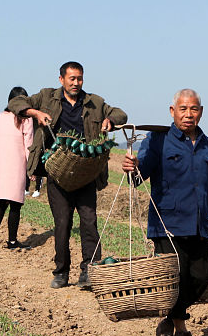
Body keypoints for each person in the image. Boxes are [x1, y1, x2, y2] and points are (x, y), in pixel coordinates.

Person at [122, 89, 208, 336]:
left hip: (198, 224)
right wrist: (131, 167)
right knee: (177, 277)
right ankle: (182, 332)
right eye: (183, 109)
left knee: (203, 275)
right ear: (172, 111)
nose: (188, 114)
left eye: (193, 109)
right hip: (167, 223)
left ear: (201, 112)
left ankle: (169, 319)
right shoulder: (159, 140)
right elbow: (138, 176)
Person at [9, 61, 127, 289]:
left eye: (79, 78)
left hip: (85, 174)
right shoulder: (46, 97)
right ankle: (61, 271)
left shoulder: (95, 102)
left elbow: (121, 114)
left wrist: (109, 121)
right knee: (62, 224)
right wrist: (35, 113)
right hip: (58, 172)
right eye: (71, 78)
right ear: (61, 79)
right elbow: (16, 102)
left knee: (89, 222)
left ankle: (89, 270)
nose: (76, 83)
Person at [0, 88, 35, 248]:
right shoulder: (26, 120)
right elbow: (29, 145)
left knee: (1, 202)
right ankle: (12, 241)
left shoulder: (0, 117)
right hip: (17, 164)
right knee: (15, 203)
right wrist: (31, 167)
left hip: (1, 163)